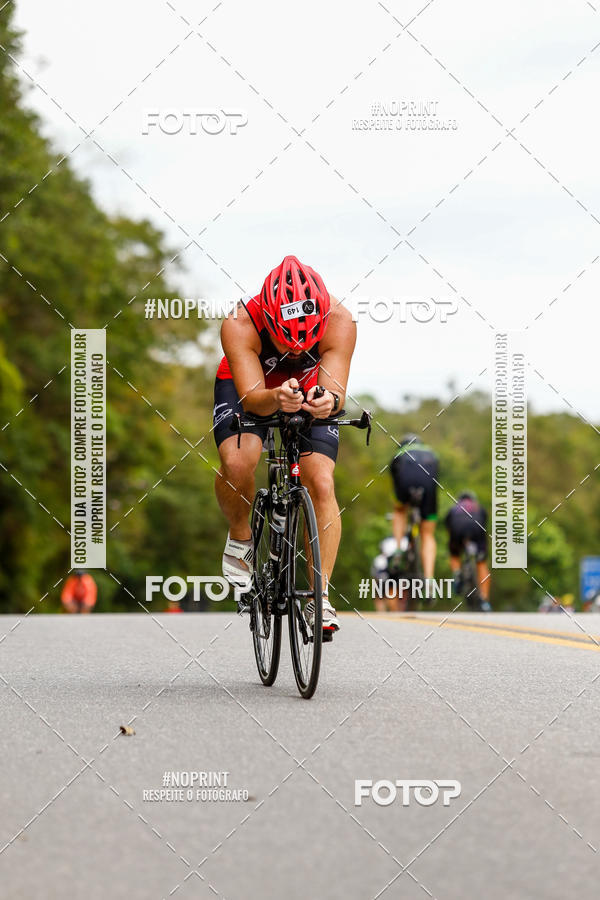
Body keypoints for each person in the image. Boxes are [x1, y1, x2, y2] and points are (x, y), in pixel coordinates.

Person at [213, 255, 356, 637]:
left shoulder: (340, 320)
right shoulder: (239, 322)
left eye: (304, 343)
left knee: (320, 482)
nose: (294, 352)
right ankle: (241, 534)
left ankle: (318, 596)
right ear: (269, 320)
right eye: (285, 341)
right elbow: (253, 399)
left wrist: (330, 401)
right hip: (254, 384)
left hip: (309, 384)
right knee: (240, 462)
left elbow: (336, 390)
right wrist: (275, 397)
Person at [389, 434, 439, 584]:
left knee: (399, 510)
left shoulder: (399, 454)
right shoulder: (431, 452)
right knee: (428, 534)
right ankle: (429, 578)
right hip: (428, 486)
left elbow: (395, 480)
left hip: (405, 481)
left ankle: (398, 549)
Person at [444, 491, 491, 609]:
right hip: (476, 529)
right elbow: (484, 526)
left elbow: (449, 528)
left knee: (454, 553)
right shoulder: (479, 507)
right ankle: (484, 599)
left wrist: (456, 544)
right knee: (481, 563)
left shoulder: (453, 509)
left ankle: (457, 574)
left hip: (457, 528)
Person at [370, 536, 403, 612]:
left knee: (389, 602)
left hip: (387, 582)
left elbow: (374, 575)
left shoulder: (380, 559)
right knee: (385, 601)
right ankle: (385, 614)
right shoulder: (380, 559)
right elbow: (374, 574)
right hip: (383, 582)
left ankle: (387, 614)